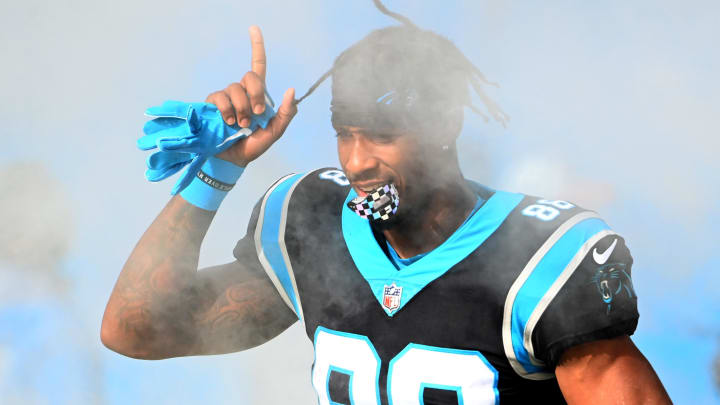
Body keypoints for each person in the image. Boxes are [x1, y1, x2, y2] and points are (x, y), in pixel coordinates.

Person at [101, 5, 671, 404]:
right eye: (344, 133)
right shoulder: (311, 222)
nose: (357, 161)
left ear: (443, 123)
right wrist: (218, 171)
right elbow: (137, 330)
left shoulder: (541, 257)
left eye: (381, 134)